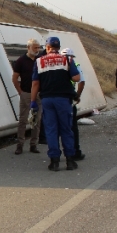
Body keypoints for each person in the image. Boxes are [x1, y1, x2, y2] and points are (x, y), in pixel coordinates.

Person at [31, 36, 81, 171]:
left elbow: (35, 83)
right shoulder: (67, 59)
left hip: (47, 100)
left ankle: (54, 162)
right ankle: (70, 161)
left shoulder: (39, 61)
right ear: (59, 47)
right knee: (66, 129)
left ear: (47, 48)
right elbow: (77, 78)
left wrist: (33, 101)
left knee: (51, 130)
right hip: (63, 100)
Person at [11, 39, 43, 155]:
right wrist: (20, 92)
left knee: (37, 120)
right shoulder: (21, 61)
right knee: (23, 120)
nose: (37, 50)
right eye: (35, 47)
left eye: (38, 47)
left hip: (39, 94)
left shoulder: (40, 60)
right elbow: (14, 78)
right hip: (26, 93)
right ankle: (20, 145)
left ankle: (34, 144)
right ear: (28, 48)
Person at [60, 47, 86, 160]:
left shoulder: (58, 65)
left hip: (58, 99)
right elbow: (81, 81)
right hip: (69, 99)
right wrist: (77, 95)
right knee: (72, 127)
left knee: (58, 127)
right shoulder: (74, 65)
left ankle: (57, 154)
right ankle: (75, 152)